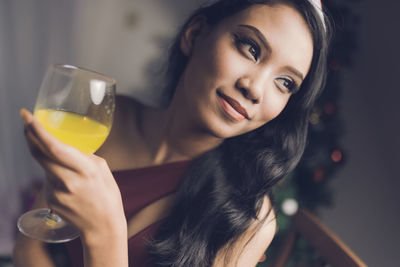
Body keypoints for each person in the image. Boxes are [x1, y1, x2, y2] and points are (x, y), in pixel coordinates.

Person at [13, 0, 331, 266]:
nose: (255, 88)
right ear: (195, 35)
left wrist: (104, 233)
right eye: (250, 48)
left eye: (286, 82)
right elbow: (31, 245)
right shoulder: (107, 120)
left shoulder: (250, 219)